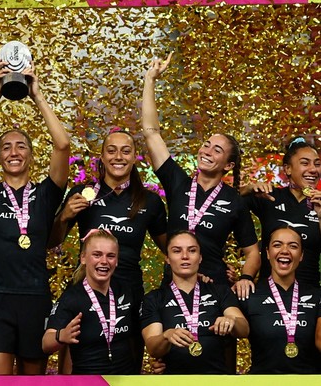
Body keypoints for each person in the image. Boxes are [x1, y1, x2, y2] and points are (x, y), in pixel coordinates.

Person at [0, 60, 69, 374]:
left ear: (31, 155)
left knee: (32, 383)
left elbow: (62, 144)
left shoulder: (47, 194)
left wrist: (37, 96)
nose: (14, 152)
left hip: (35, 298)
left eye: (21, 146)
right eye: (6, 147)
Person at [142, 53, 260, 296]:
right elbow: (151, 132)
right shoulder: (178, 182)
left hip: (214, 286)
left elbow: (253, 252)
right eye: (206, 144)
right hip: (174, 285)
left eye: (217, 150)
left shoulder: (234, 200)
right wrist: (150, 80)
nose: (207, 151)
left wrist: (245, 277)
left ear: (228, 165)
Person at [50, 129, 167, 372]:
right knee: (74, 369)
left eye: (126, 151)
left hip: (129, 293)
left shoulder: (150, 201)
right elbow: (50, 241)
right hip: (86, 292)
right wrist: (64, 217)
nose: (118, 157)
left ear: (135, 157)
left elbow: (171, 247)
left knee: (128, 367)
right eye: (111, 150)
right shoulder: (82, 194)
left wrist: (205, 268)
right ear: (101, 157)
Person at [140, 230, 248, 374]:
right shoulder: (154, 298)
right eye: (177, 251)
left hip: (216, 380)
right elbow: (153, 348)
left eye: (192, 251)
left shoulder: (219, 291)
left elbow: (244, 329)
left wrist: (231, 320)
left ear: (200, 257)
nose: (185, 256)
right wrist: (166, 335)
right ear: (167, 258)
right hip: (174, 381)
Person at [42, 229, 138, 374]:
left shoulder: (126, 290)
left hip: (125, 379)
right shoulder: (72, 298)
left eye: (110, 256)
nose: (104, 261)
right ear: (83, 258)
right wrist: (61, 335)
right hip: (87, 380)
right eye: (97, 255)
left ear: (117, 260)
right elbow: (46, 343)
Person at [238, 226, 321, 373]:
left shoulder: (317, 296)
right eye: (277, 245)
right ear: (268, 253)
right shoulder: (248, 294)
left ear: (301, 255)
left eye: (293, 246)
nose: (284, 250)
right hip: (263, 382)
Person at [242, 137, 321, 288]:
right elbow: (227, 199)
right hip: (268, 295)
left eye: (317, 164)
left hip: (310, 295)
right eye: (305, 163)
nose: (313, 169)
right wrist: (248, 189)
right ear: (288, 169)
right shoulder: (270, 197)